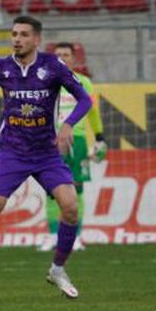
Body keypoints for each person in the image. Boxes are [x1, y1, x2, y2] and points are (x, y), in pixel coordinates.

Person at [0, 16, 92, 302]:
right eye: (14, 34)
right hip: (11, 151)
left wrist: (67, 125)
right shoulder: (0, 67)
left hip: (46, 153)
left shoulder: (52, 66)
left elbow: (85, 99)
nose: (17, 39)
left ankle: (58, 269)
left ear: (37, 39)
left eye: (24, 34)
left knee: (70, 207)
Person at [39, 42, 106, 252]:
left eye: (66, 54)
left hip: (76, 141)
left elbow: (93, 112)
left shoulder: (84, 82)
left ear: (73, 59)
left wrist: (99, 137)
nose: (62, 57)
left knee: (76, 190)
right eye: (58, 54)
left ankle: (75, 237)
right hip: (49, 141)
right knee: (50, 190)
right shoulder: (43, 81)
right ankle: (52, 235)